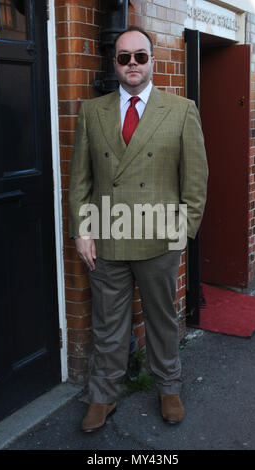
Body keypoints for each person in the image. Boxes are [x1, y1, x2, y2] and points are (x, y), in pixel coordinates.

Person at [68, 25, 208, 432]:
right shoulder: (93, 112)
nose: (132, 64)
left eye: (140, 56)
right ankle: (103, 394)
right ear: (115, 63)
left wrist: (183, 231)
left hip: (159, 238)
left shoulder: (181, 110)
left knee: (163, 321)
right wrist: (81, 230)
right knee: (108, 324)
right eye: (124, 57)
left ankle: (169, 387)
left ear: (153, 61)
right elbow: (81, 179)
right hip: (107, 236)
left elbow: (195, 179)